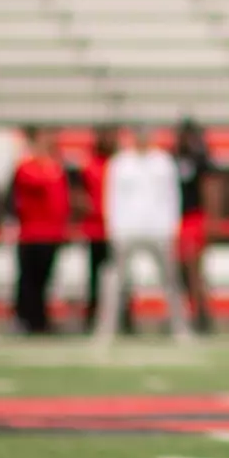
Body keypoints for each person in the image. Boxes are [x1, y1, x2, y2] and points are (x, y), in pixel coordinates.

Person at [95, 125, 190, 345]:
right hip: (127, 230)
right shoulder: (120, 162)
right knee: (115, 281)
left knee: (171, 281)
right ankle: (105, 330)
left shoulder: (163, 162)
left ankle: (180, 328)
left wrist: (171, 228)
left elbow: (172, 197)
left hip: (158, 229)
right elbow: (111, 197)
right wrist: (114, 228)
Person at [10, 126, 70, 335]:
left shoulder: (55, 167)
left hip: (52, 232)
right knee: (29, 279)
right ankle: (26, 319)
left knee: (44, 279)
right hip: (32, 233)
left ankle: (40, 319)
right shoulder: (28, 167)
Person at [78, 126, 128, 333]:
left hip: (118, 228)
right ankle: (93, 318)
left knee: (122, 276)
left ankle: (123, 319)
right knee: (95, 277)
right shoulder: (89, 165)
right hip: (96, 228)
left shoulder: (122, 165)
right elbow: (79, 195)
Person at [173, 118, 221, 333]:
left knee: (195, 269)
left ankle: (201, 314)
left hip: (194, 218)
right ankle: (186, 312)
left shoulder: (202, 161)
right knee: (180, 269)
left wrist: (211, 220)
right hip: (176, 219)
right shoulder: (172, 158)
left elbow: (211, 189)